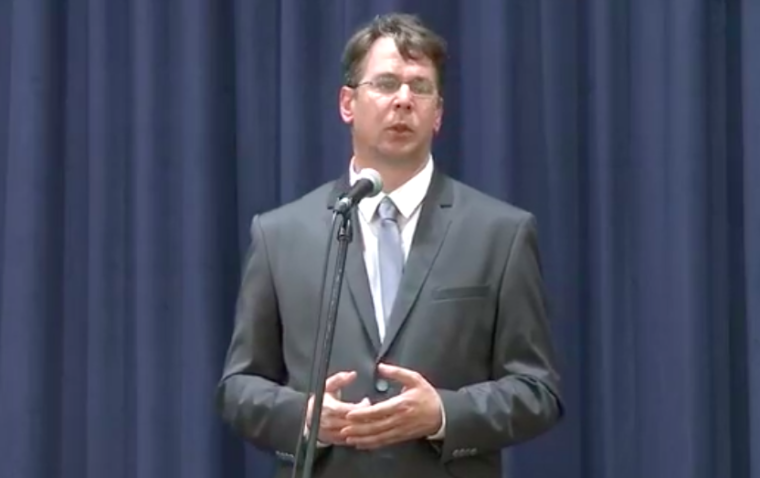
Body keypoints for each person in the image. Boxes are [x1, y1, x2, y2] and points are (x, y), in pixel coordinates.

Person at [216, 12, 563, 478]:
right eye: (385, 83)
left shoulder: (500, 233)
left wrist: (443, 413)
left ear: (438, 113)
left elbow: (538, 390)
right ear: (347, 103)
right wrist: (307, 418)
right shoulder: (279, 235)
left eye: (420, 87)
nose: (403, 99)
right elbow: (239, 388)